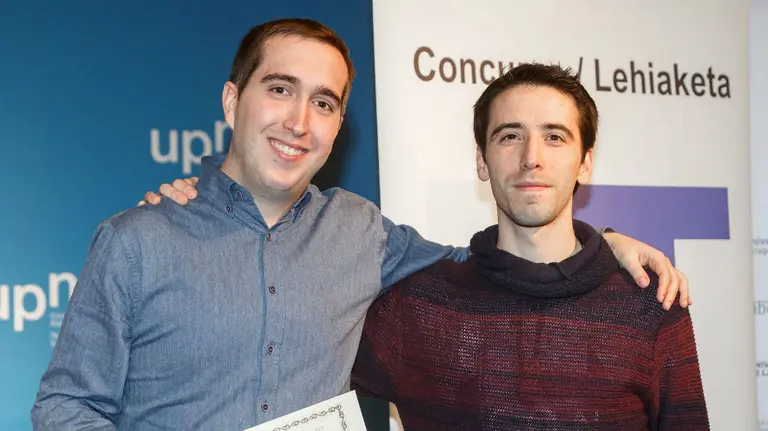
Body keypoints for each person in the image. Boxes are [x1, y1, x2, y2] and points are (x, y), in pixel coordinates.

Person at [31, 18, 689, 431]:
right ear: (234, 98)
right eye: (280, 89)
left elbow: (491, 262)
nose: (298, 121)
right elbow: (64, 406)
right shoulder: (138, 240)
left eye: (324, 102)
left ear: (339, 123)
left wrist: (606, 242)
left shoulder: (362, 232)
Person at [351, 63, 709, 430]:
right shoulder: (417, 307)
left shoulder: (650, 302)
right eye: (510, 136)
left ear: (585, 163)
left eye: (554, 137)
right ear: (481, 160)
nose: (531, 158)